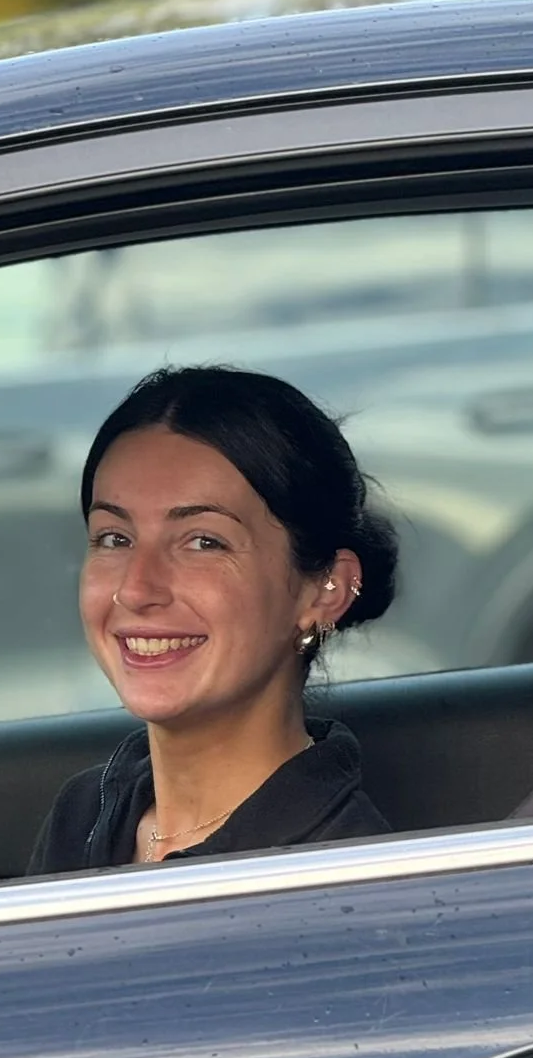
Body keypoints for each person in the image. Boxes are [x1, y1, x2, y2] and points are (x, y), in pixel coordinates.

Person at [30, 365, 398, 873]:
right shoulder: (85, 815)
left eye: (204, 542)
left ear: (325, 589)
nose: (136, 589)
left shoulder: (346, 875)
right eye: (115, 538)